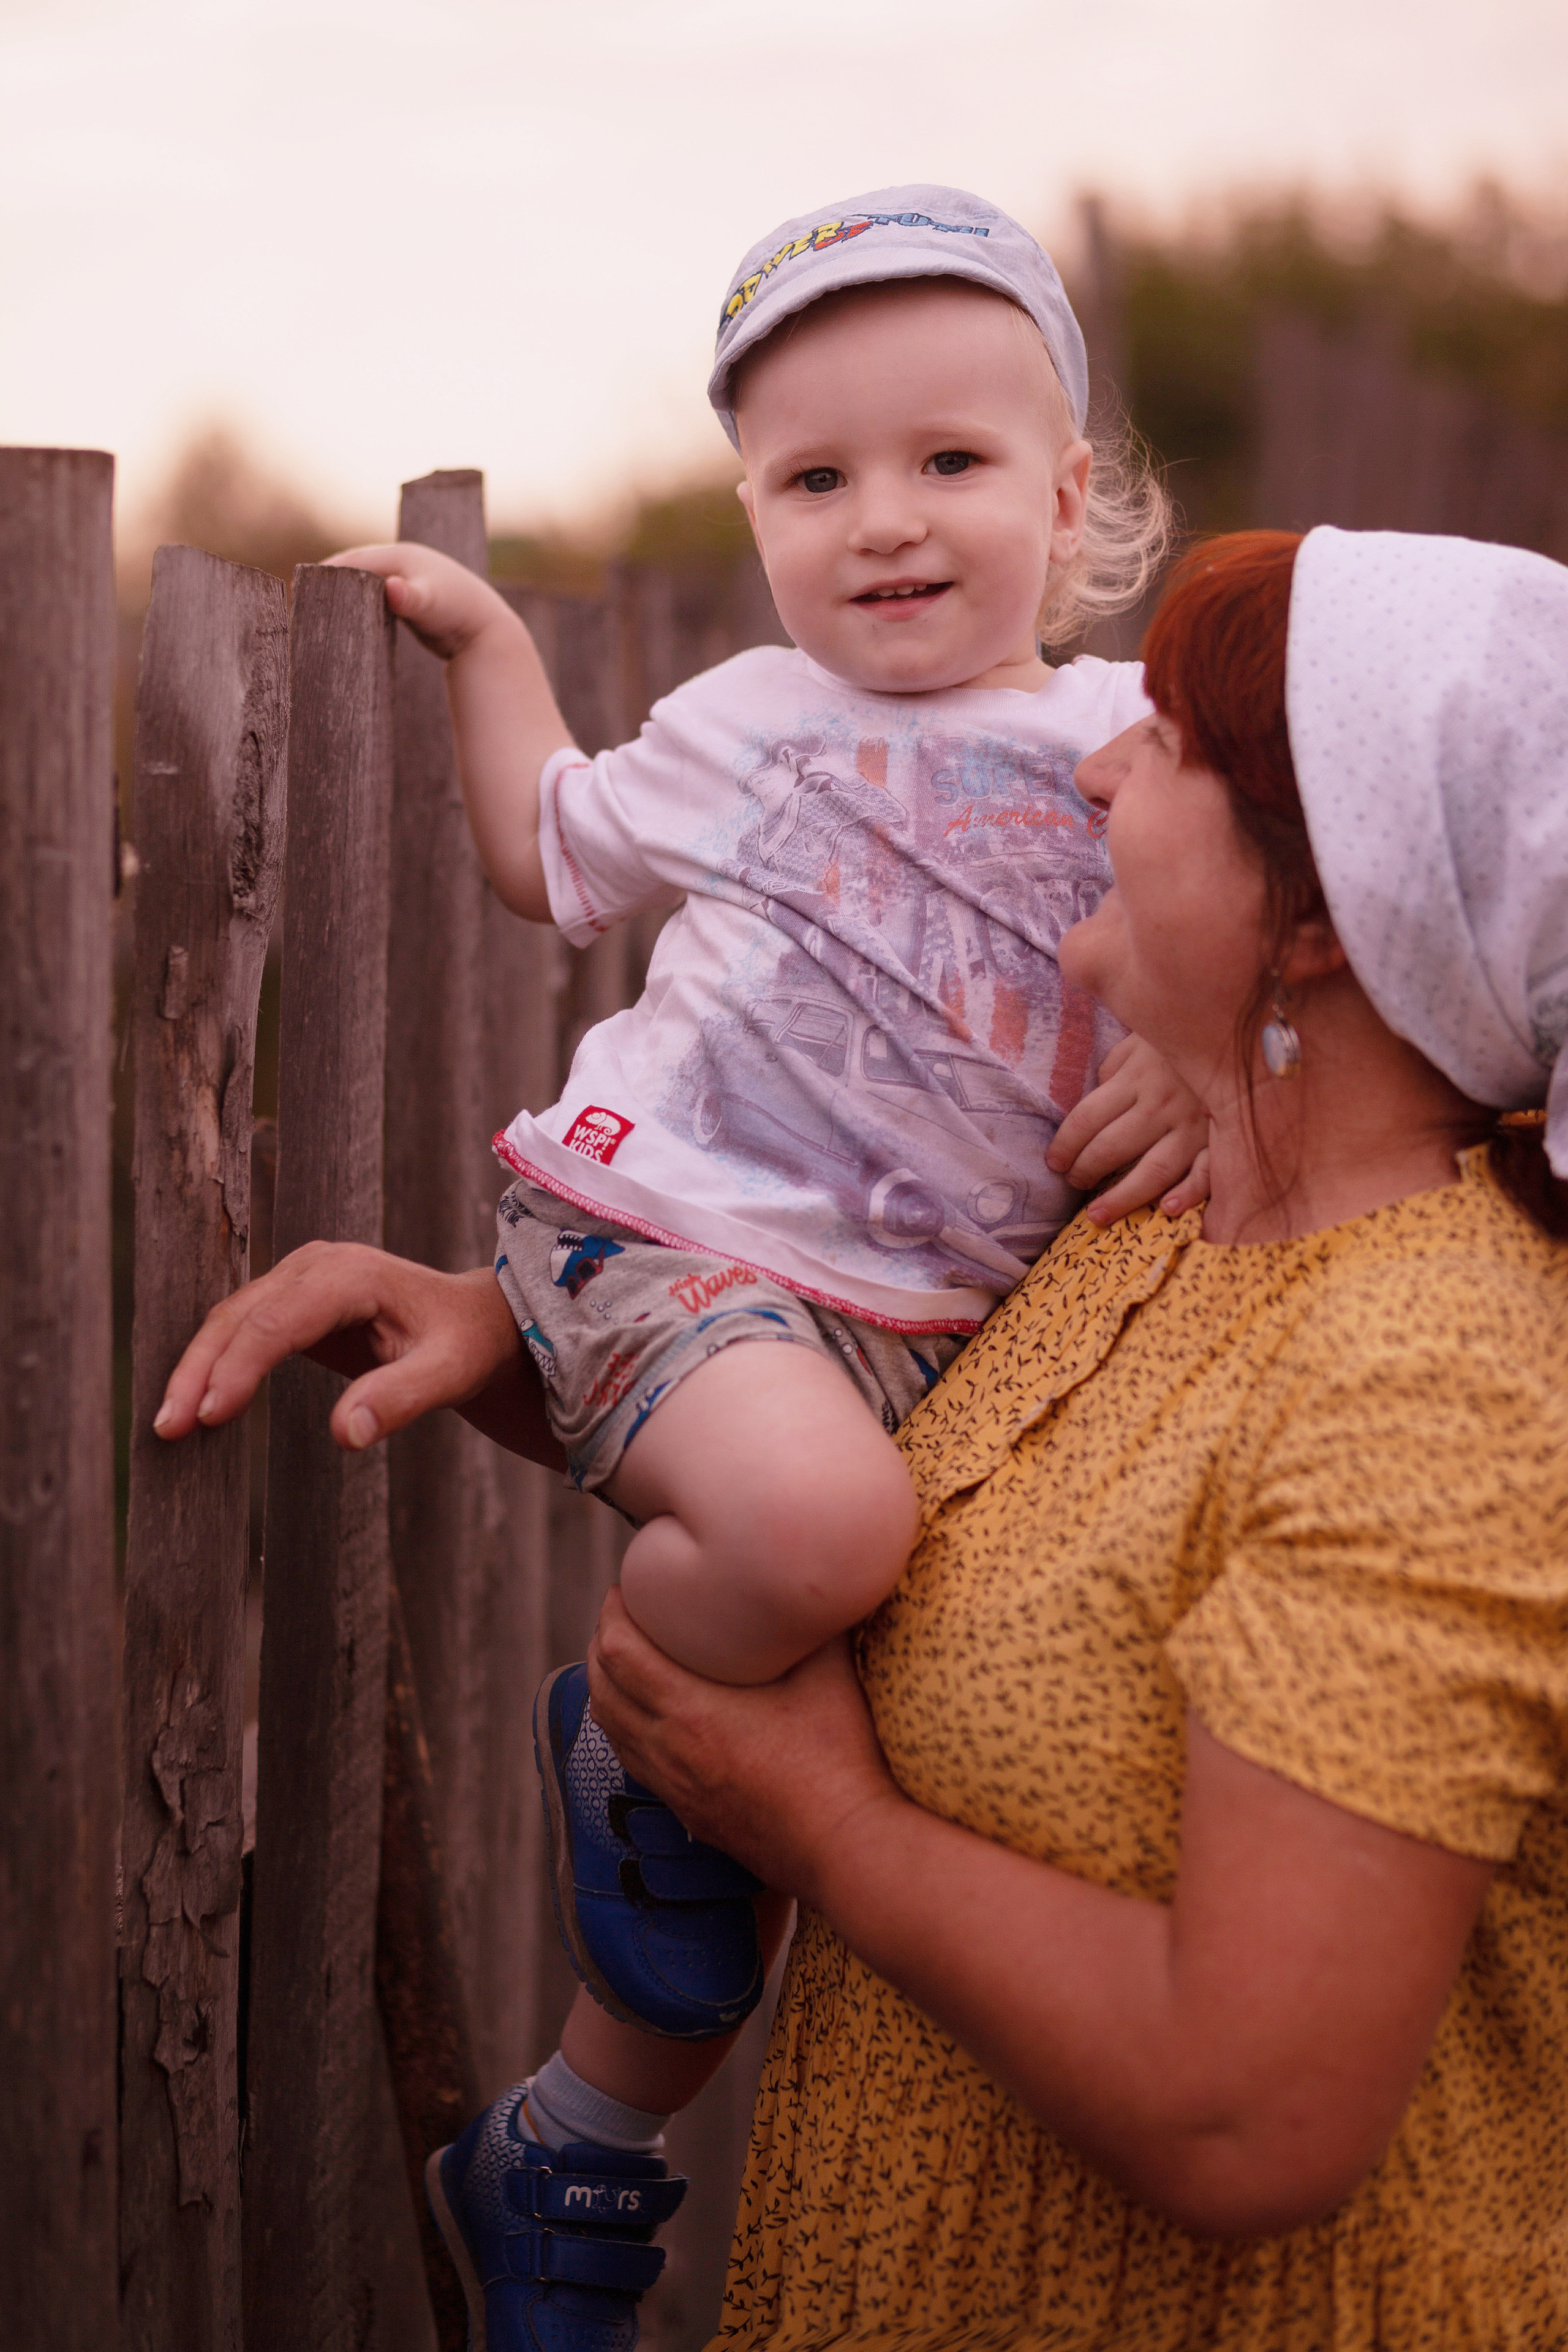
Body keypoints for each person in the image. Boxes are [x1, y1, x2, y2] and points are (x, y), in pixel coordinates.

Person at [283, 187, 1206, 2345]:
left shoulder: (1143, 749)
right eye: (817, 479)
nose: (882, 523)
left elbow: (1415, 892)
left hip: (914, 1335)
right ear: (757, 512)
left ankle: (575, 2160)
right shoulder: (748, 719)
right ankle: (635, 1718)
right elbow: (547, 855)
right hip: (659, 1240)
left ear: (1069, 496)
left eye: (948, 465)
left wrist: (1194, 1049)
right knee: (807, 1546)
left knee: (740, 1883)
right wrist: (493, 654)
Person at [568, 524, 1568, 2349]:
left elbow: (1245, 2107)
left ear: (1327, 917)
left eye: (1171, 741)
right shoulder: (1164, 1221)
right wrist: (494, 1331)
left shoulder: (1435, 1377)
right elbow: (894, 1469)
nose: (1097, 758)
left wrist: (820, 1821)